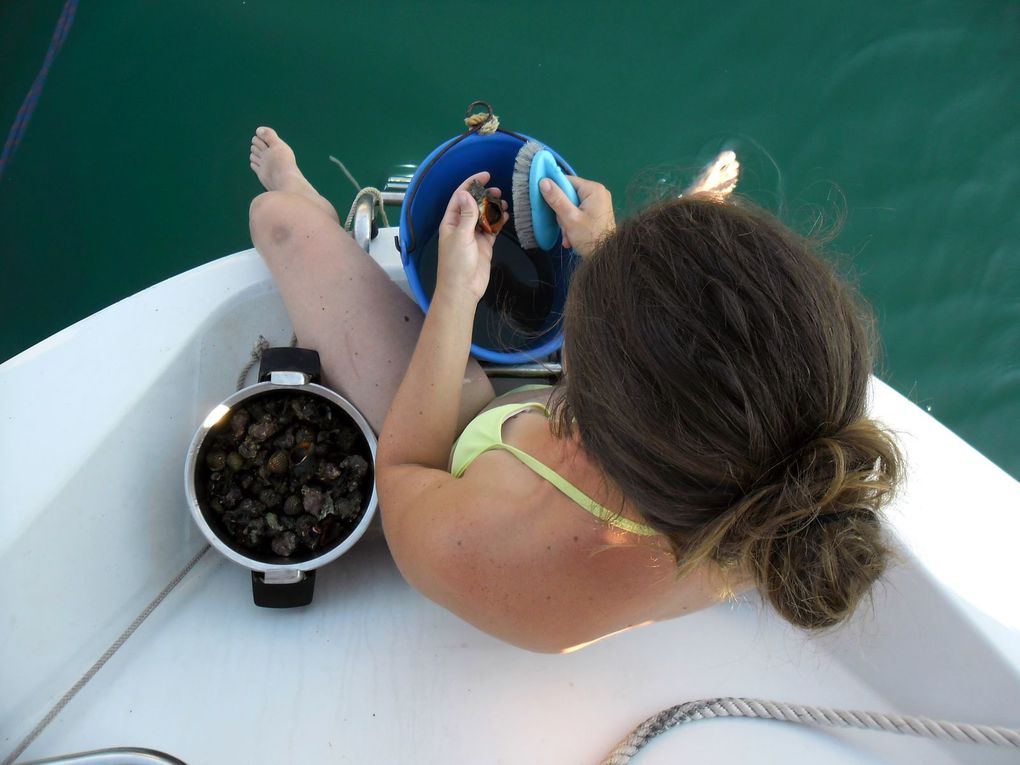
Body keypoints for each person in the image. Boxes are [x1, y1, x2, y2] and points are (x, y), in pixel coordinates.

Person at [248, 127, 901, 653]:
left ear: (576, 404)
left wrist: (456, 293)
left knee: (279, 219)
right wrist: (609, 251)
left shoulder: (481, 542)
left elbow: (404, 468)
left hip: (462, 439)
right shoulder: (782, 494)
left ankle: (308, 202)